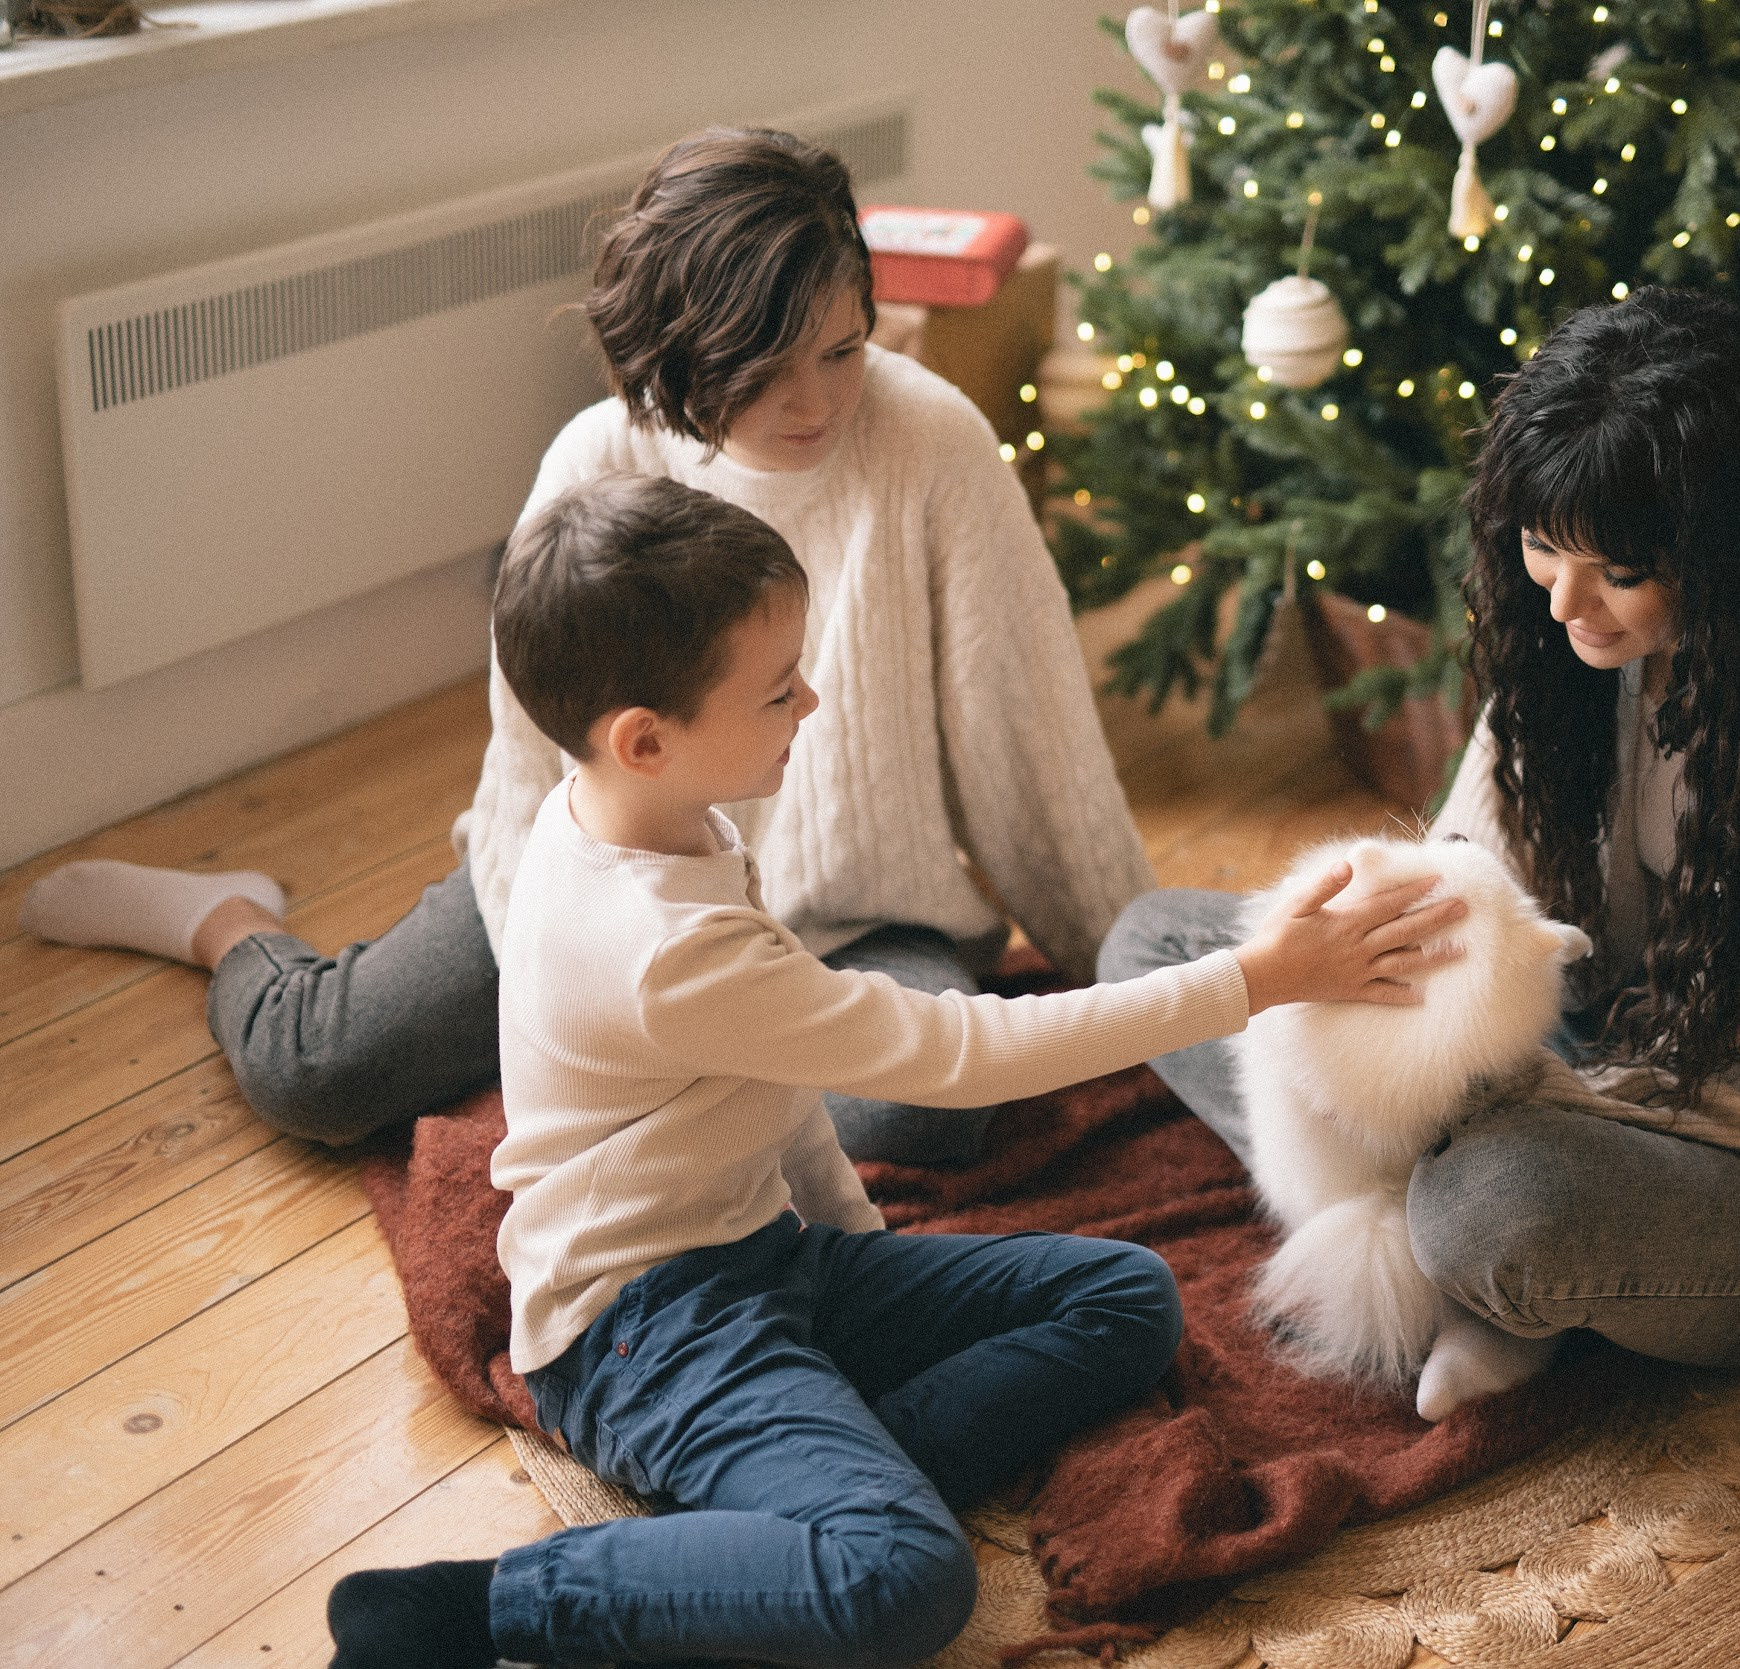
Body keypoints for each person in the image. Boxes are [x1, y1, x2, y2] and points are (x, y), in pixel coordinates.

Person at [325, 474, 1464, 1669]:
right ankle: (471, 1608)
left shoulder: (642, 815)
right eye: (776, 691)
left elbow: (773, 1085)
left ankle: (808, 1491)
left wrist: (860, 1251)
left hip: (768, 1263)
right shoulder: (662, 944)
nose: (808, 700)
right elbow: (956, 1053)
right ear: (645, 739)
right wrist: (1254, 975)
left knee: (1125, 1297)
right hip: (640, 1331)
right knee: (908, 1579)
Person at [20, 127, 1144, 1164]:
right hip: (605, 892)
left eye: (842, 351)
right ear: (684, 344)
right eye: (766, 365)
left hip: (852, 918)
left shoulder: (934, 445)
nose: (817, 401)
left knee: (910, 1112)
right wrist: (555, 989)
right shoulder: (596, 461)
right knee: (323, 1072)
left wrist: (1133, 972)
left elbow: (1029, 745)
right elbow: (527, 765)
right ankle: (223, 921)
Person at [1102, 287, 1740, 1442]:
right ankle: (1488, 1273)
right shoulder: (1581, 646)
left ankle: (1479, 1264)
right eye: (1541, 545)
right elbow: (1466, 867)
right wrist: (1366, 956)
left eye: (1615, 569)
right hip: (1591, 1044)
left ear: (1731, 556)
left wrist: (1463, 1091)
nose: (1561, 599)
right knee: (1163, 948)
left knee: (1491, 1207)